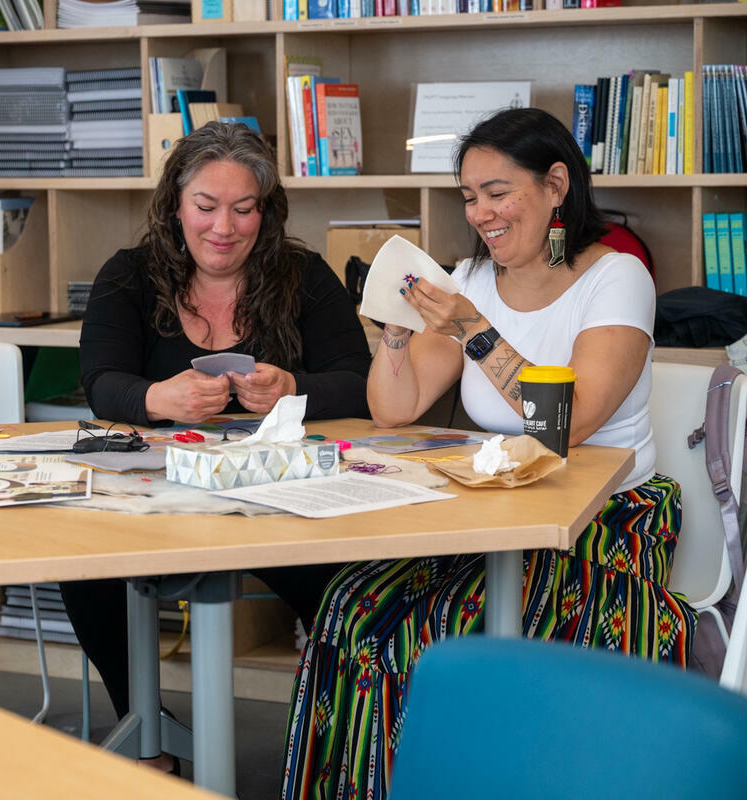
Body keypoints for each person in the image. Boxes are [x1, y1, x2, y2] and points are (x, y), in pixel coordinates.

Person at [281, 107, 696, 800]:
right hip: (496, 517)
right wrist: (394, 329)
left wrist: (473, 328)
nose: (480, 213)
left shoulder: (615, 277)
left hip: (600, 529)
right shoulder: (472, 278)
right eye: (469, 197)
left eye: (497, 192)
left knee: (433, 639)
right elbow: (394, 407)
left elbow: (563, 428)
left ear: (556, 184)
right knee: (348, 608)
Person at [61, 121, 372, 767]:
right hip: (159, 494)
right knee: (82, 569)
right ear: (175, 205)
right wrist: (157, 399)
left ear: (267, 210)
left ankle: (350, 733)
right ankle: (143, 727)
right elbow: (100, 382)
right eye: (205, 207)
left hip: (283, 494)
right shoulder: (129, 275)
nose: (222, 227)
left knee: (344, 582)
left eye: (243, 208)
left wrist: (294, 388)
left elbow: (358, 383)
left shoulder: (304, 275)